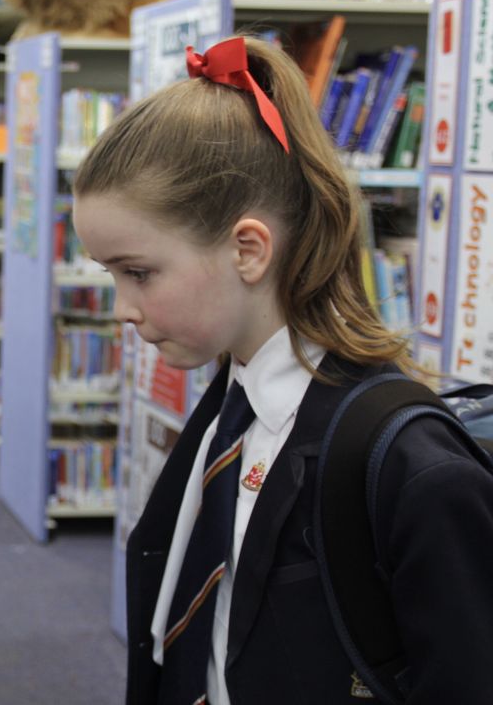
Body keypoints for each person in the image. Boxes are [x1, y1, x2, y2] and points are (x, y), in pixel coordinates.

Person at [72, 35, 493, 704]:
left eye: (138, 272)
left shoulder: (413, 468)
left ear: (247, 249)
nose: (122, 309)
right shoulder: (223, 416)